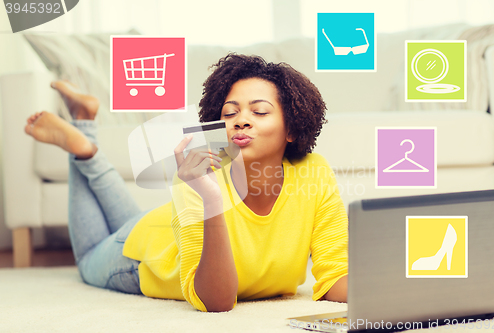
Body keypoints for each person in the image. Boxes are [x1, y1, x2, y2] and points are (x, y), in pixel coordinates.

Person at [25, 54, 348, 312]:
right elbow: (216, 301)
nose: (241, 120)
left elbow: (334, 275)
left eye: (260, 111)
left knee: (124, 223)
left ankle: (84, 123)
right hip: (140, 258)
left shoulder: (314, 171)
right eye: (229, 112)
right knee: (87, 259)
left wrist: (391, 285)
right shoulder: (200, 173)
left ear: (291, 129)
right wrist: (211, 199)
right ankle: (83, 147)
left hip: (158, 228)